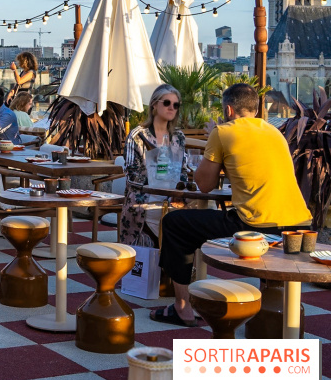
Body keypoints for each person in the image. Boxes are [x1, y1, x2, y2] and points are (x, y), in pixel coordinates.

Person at [151, 83, 312, 328]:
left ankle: (182, 308)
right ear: (255, 110)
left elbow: (204, 185)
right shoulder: (273, 131)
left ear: (228, 110)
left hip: (258, 227)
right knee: (214, 219)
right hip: (301, 226)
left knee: (174, 223)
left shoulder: (223, 132)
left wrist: (212, 139)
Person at [120, 84, 187, 246]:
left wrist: (179, 192)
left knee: (196, 217)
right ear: (154, 105)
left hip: (171, 200)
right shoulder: (138, 135)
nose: (171, 108)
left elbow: (183, 171)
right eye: (167, 103)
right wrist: (159, 177)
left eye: (176, 105)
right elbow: (131, 175)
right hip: (144, 199)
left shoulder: (178, 137)